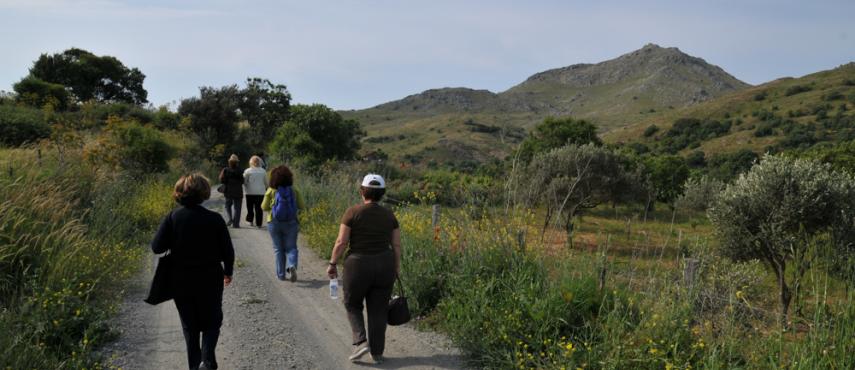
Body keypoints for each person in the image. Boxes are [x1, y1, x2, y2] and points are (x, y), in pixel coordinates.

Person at [151, 173, 235, 370]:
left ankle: (195, 366)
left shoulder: (172, 217)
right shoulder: (214, 219)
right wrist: (228, 271)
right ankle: (207, 361)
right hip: (210, 277)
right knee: (212, 321)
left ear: (179, 193)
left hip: (181, 279)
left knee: (190, 326)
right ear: (204, 193)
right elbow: (227, 251)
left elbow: (157, 247)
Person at [326, 174, 402, 365]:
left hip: (358, 265)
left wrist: (333, 262)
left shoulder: (352, 212)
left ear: (362, 191)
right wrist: (396, 267)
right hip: (385, 264)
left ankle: (360, 341)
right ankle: (377, 353)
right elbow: (397, 245)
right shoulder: (390, 215)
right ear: (382, 194)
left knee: (352, 304)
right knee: (378, 310)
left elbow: (342, 241)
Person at [261, 165, 305, 282]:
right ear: (289, 177)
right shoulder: (294, 190)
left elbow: (264, 207)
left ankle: (281, 275)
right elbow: (301, 206)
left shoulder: (271, 190)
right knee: (291, 247)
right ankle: (291, 265)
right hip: (291, 222)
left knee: (278, 249)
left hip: (274, 222)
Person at [219, 154, 244, 228]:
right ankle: (236, 224)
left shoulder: (225, 170)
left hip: (228, 191)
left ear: (229, 162)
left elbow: (221, 180)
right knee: (237, 208)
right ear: (237, 162)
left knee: (227, 206)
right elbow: (242, 181)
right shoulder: (240, 170)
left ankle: (230, 218)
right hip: (238, 191)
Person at [243, 156, 268, 228]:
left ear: (251, 162)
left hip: (250, 192)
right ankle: (259, 224)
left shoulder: (247, 171)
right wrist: (267, 188)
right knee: (259, 208)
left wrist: (247, 185)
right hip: (260, 192)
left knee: (250, 207)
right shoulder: (263, 171)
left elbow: (245, 181)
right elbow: (266, 182)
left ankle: (250, 221)